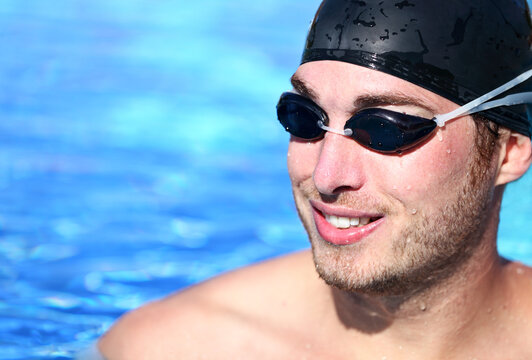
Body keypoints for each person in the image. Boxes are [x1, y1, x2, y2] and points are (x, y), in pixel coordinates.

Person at [97, 0, 532, 358]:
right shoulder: (172, 347)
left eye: (386, 128)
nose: (327, 176)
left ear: (508, 152)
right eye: (305, 119)